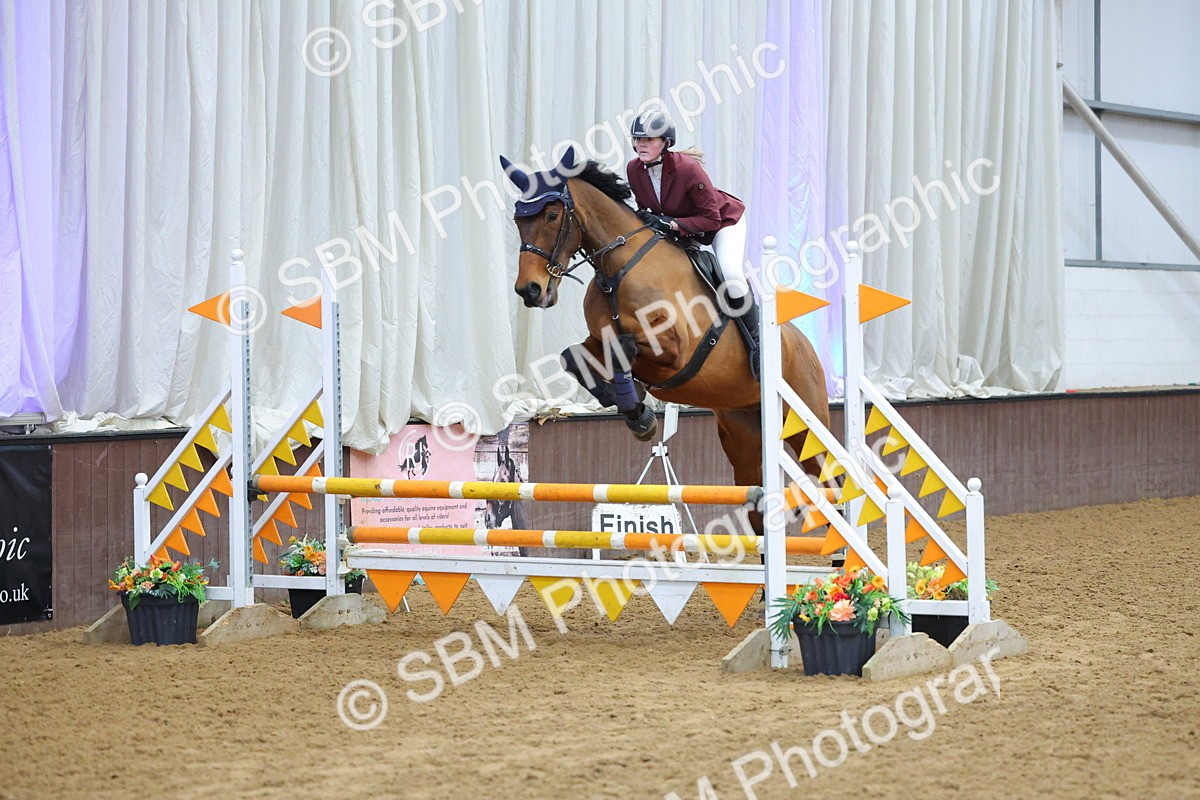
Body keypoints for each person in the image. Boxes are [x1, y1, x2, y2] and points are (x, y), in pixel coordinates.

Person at [624, 107, 761, 378]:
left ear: (665, 143)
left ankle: (758, 345)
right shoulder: (634, 170)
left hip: (723, 224)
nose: (641, 144)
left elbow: (710, 218)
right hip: (685, 232)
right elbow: (647, 211)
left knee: (731, 275)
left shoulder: (688, 169)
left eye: (648, 139)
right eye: (638, 139)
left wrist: (672, 224)